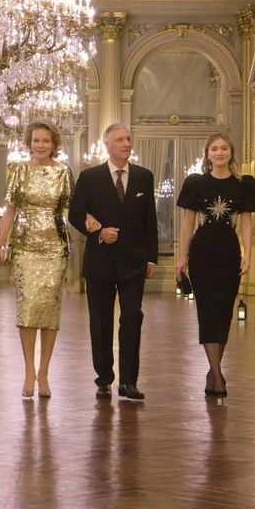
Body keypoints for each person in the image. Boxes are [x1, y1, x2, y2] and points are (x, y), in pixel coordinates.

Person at [68, 123, 158, 400]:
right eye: (119, 140)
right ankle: (104, 379)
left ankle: (128, 382)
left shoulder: (144, 176)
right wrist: (98, 231)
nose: (126, 143)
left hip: (134, 262)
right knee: (101, 322)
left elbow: (149, 220)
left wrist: (152, 258)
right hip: (101, 262)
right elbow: (75, 213)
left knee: (132, 317)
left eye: (128, 139)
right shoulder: (90, 177)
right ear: (106, 144)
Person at [175, 132, 255, 398]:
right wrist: (182, 256)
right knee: (207, 312)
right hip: (202, 254)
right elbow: (188, 222)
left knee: (224, 312)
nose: (219, 152)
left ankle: (214, 372)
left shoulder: (244, 183)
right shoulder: (196, 183)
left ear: (231, 152)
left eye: (224, 148)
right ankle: (217, 374)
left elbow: (246, 221)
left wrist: (247, 254)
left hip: (229, 253)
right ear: (207, 154)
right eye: (214, 149)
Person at [0, 121, 75, 399]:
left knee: (49, 311)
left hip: (55, 247)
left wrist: (92, 220)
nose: (40, 145)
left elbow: (74, 209)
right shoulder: (19, 171)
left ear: (54, 143)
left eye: (45, 141)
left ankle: (44, 372)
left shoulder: (64, 172)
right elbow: (9, 210)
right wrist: (1, 242)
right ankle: (29, 370)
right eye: (36, 140)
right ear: (29, 143)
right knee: (28, 310)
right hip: (25, 246)